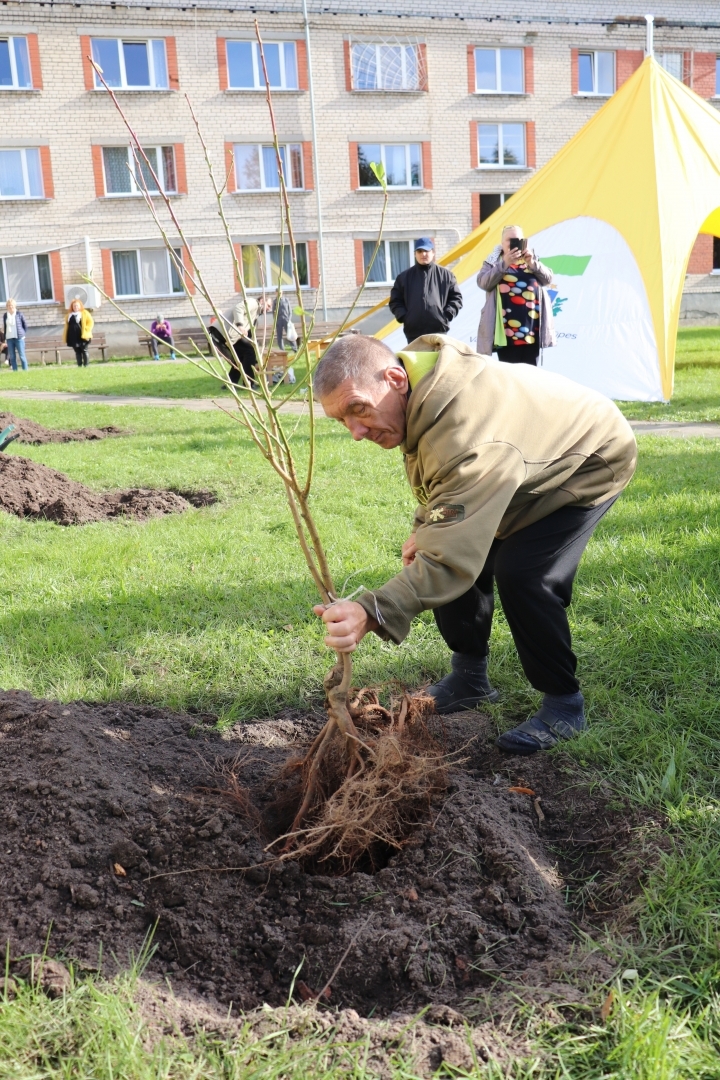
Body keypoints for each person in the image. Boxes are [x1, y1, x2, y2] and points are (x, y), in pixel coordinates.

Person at [311, 333, 637, 755]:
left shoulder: (469, 434)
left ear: (394, 378)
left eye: (358, 409)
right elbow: (441, 483)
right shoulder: (419, 391)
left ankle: (564, 707)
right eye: (341, 420)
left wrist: (373, 610)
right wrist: (426, 525)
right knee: (439, 549)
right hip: (517, 460)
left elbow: (452, 546)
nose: (355, 431)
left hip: (585, 460)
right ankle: (469, 679)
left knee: (523, 572)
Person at [476, 225, 555, 366]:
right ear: (502, 243)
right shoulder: (494, 261)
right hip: (506, 335)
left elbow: (548, 279)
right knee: (510, 380)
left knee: (530, 379)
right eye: (510, 240)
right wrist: (505, 263)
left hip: (531, 333)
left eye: (518, 240)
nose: (514, 244)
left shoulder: (532, 259)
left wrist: (532, 263)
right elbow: (483, 283)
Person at [389, 238, 463, 343]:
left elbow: (456, 298)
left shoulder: (446, 276)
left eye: (426, 251)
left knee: (438, 360)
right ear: (415, 254)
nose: (423, 254)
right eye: (419, 251)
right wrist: (405, 317)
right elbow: (395, 301)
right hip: (413, 333)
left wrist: (445, 315)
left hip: (439, 332)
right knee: (415, 360)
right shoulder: (404, 277)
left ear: (433, 253)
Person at [63, 298, 94, 367]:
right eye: (74, 306)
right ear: (72, 307)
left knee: (84, 350)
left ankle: (86, 365)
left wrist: (87, 329)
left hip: (82, 335)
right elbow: (67, 325)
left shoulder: (84, 313)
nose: (75, 307)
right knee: (77, 352)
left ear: (80, 306)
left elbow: (90, 322)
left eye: (77, 306)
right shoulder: (69, 315)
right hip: (73, 336)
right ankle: (79, 365)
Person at [3, 299, 28, 371]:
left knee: (22, 355)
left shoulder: (19, 314)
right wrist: (5, 337)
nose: (10, 307)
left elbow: (25, 326)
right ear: (6, 307)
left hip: (19, 338)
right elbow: (5, 326)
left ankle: (25, 371)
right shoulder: (5, 315)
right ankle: (15, 371)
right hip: (9, 338)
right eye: (8, 305)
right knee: (12, 356)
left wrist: (22, 334)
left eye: (11, 305)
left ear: (14, 306)